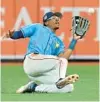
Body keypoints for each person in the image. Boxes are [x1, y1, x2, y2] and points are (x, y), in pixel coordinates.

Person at [3, 12, 81, 93]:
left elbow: (63, 59)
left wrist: (74, 40)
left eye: (58, 19)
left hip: (42, 72)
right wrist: (12, 35)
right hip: (31, 61)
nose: (57, 20)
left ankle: (34, 88)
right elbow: (19, 34)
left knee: (68, 87)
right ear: (46, 22)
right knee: (61, 65)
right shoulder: (38, 27)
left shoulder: (58, 42)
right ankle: (60, 80)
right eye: (54, 18)